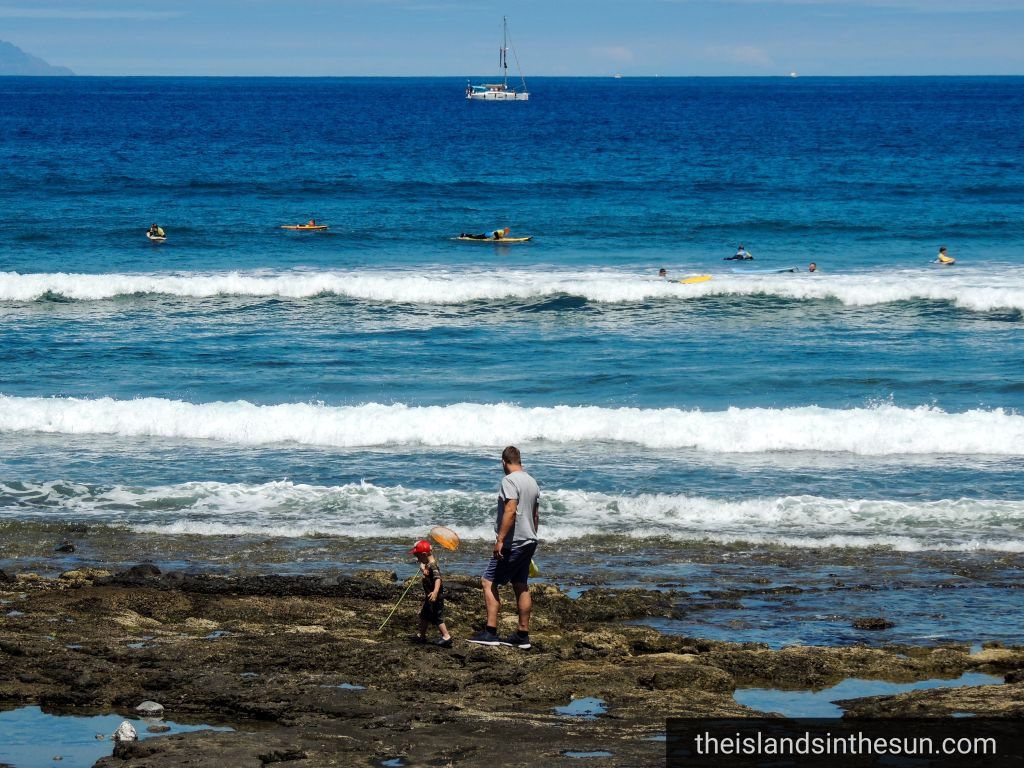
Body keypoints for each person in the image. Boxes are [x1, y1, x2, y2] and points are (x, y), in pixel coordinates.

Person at [467, 445, 540, 650]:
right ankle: (522, 634)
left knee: (488, 582)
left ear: (503, 462)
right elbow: (535, 515)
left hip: (513, 541)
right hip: (530, 539)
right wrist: (532, 537)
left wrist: (500, 539)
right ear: (519, 460)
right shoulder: (532, 481)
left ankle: (490, 632)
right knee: (520, 584)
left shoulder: (509, 481)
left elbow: (510, 509)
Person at [409, 540, 453, 647]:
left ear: (424, 554)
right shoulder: (428, 563)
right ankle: (422, 636)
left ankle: (446, 637)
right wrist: (423, 570)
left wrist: (435, 592)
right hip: (429, 597)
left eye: (418, 556)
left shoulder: (433, 565)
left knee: (437, 617)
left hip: (435, 597)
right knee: (424, 616)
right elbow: (427, 572)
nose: (417, 559)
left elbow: (438, 579)